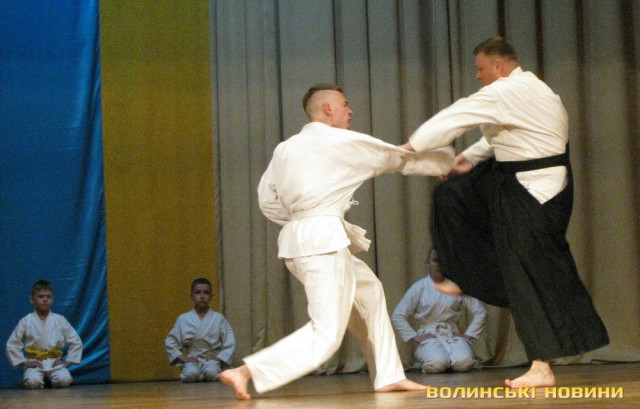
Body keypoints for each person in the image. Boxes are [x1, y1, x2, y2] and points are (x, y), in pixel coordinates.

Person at [220, 83, 454, 400]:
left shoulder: (286, 148)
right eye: (345, 104)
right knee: (327, 333)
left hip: (303, 241)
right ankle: (245, 372)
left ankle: (389, 375)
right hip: (322, 243)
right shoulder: (337, 141)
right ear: (328, 108)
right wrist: (443, 163)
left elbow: (266, 200)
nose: (350, 110)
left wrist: (301, 220)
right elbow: (389, 156)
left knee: (370, 292)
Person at [400, 36, 609, 388]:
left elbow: (458, 114)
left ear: (498, 66)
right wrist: (469, 158)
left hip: (534, 190)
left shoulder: (507, 91)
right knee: (452, 194)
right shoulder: (534, 89)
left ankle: (541, 366)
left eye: (480, 68)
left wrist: (410, 147)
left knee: (527, 274)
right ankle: (462, 273)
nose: (477, 76)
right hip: (525, 181)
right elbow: (507, 133)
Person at [392, 248, 487, 374]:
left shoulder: (456, 287)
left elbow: (481, 312)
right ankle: (431, 361)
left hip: (452, 334)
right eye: (435, 261)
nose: (439, 265)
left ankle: (449, 360)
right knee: (436, 364)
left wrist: (469, 335)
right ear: (428, 263)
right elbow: (398, 315)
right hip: (428, 335)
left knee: (464, 363)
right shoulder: (419, 287)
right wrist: (416, 337)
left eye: (443, 261)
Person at [6, 280, 83, 389]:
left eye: (48, 296)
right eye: (41, 296)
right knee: (33, 382)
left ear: (53, 299)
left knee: (64, 380)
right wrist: (26, 362)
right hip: (35, 362)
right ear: (32, 299)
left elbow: (76, 342)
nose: (45, 299)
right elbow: (12, 344)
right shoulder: (26, 321)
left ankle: (53, 381)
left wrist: (67, 362)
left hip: (55, 362)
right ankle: (39, 380)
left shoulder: (60, 320)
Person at [165, 277, 236, 382]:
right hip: (193, 358)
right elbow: (170, 342)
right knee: (190, 375)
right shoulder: (183, 319)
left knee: (212, 373)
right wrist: (184, 359)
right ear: (191, 296)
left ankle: (210, 371)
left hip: (211, 358)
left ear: (211, 296)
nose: (202, 296)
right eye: (198, 293)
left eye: (206, 293)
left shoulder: (219, 318)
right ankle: (194, 372)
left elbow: (229, 342)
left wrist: (219, 358)